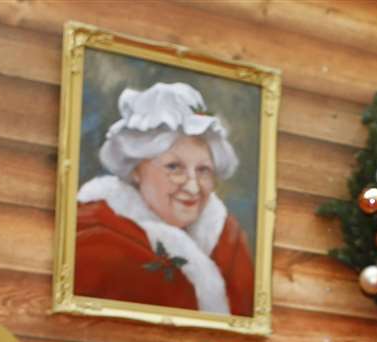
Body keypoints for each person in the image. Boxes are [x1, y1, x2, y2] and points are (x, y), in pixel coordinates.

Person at [74, 82, 255, 317]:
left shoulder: (228, 241)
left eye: (203, 171)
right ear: (136, 169)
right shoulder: (93, 237)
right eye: (174, 167)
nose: (192, 187)